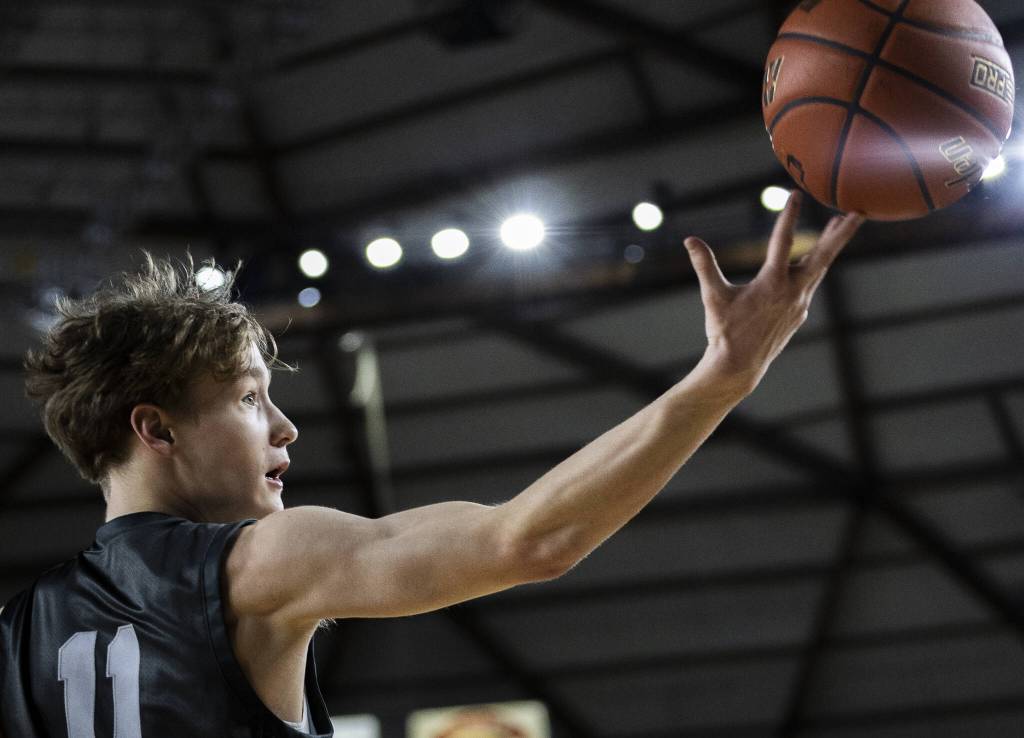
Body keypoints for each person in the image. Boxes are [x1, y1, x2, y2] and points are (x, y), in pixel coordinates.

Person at [0, 192, 863, 736]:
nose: (285, 428)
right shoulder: (257, 567)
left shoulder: (17, 633)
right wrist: (723, 378)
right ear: (158, 429)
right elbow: (530, 541)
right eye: (248, 397)